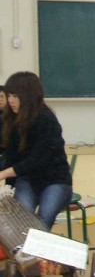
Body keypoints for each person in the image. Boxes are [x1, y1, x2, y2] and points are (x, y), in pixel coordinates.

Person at [0, 72, 72, 229]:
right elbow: (9, 155)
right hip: (27, 180)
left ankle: (36, 245)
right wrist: (6, 180)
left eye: (15, 96)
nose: (10, 100)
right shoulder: (10, 119)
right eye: (9, 95)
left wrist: (4, 173)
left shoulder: (47, 120)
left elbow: (37, 161)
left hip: (55, 181)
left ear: (29, 96)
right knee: (23, 220)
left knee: (43, 219)